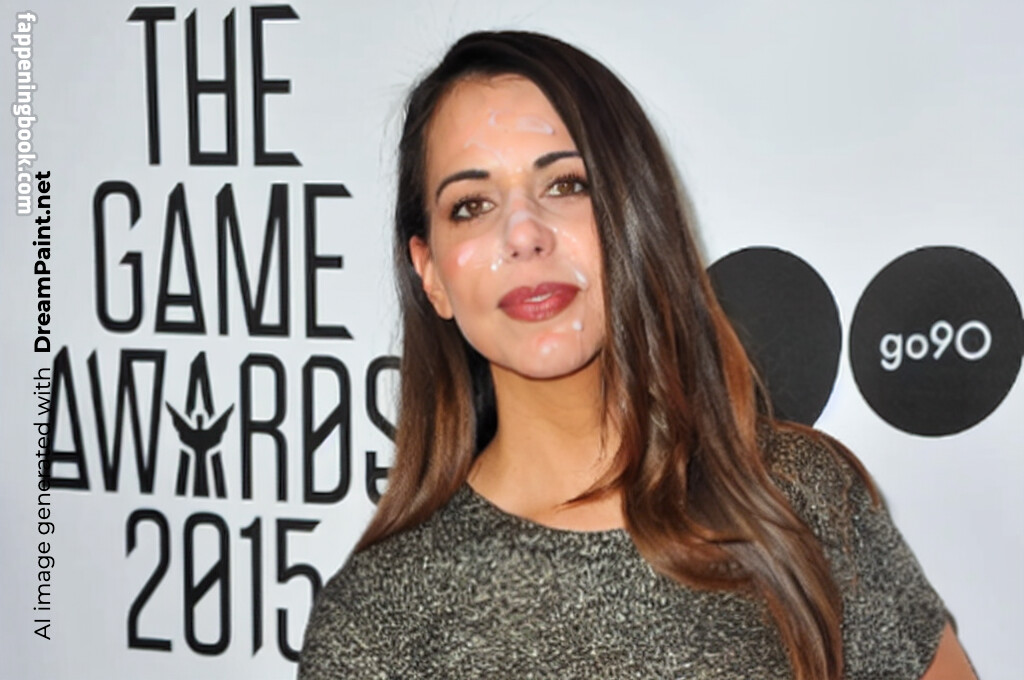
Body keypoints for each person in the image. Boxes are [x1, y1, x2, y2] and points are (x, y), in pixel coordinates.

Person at [299, 31, 975, 679]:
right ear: (432, 275)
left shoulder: (797, 496)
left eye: (566, 184)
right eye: (472, 205)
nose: (524, 234)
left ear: (634, 215)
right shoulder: (374, 624)